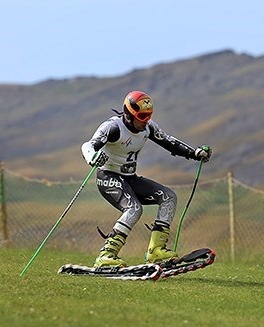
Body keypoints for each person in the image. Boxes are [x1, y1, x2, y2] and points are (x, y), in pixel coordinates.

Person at [80, 90, 212, 268]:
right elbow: (88, 145)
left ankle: (156, 251)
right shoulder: (113, 127)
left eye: (148, 116)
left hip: (130, 178)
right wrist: (92, 157)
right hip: (108, 176)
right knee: (134, 208)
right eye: (141, 116)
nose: (145, 121)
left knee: (168, 197)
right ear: (128, 113)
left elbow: (169, 142)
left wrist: (194, 153)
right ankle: (106, 255)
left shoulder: (148, 126)